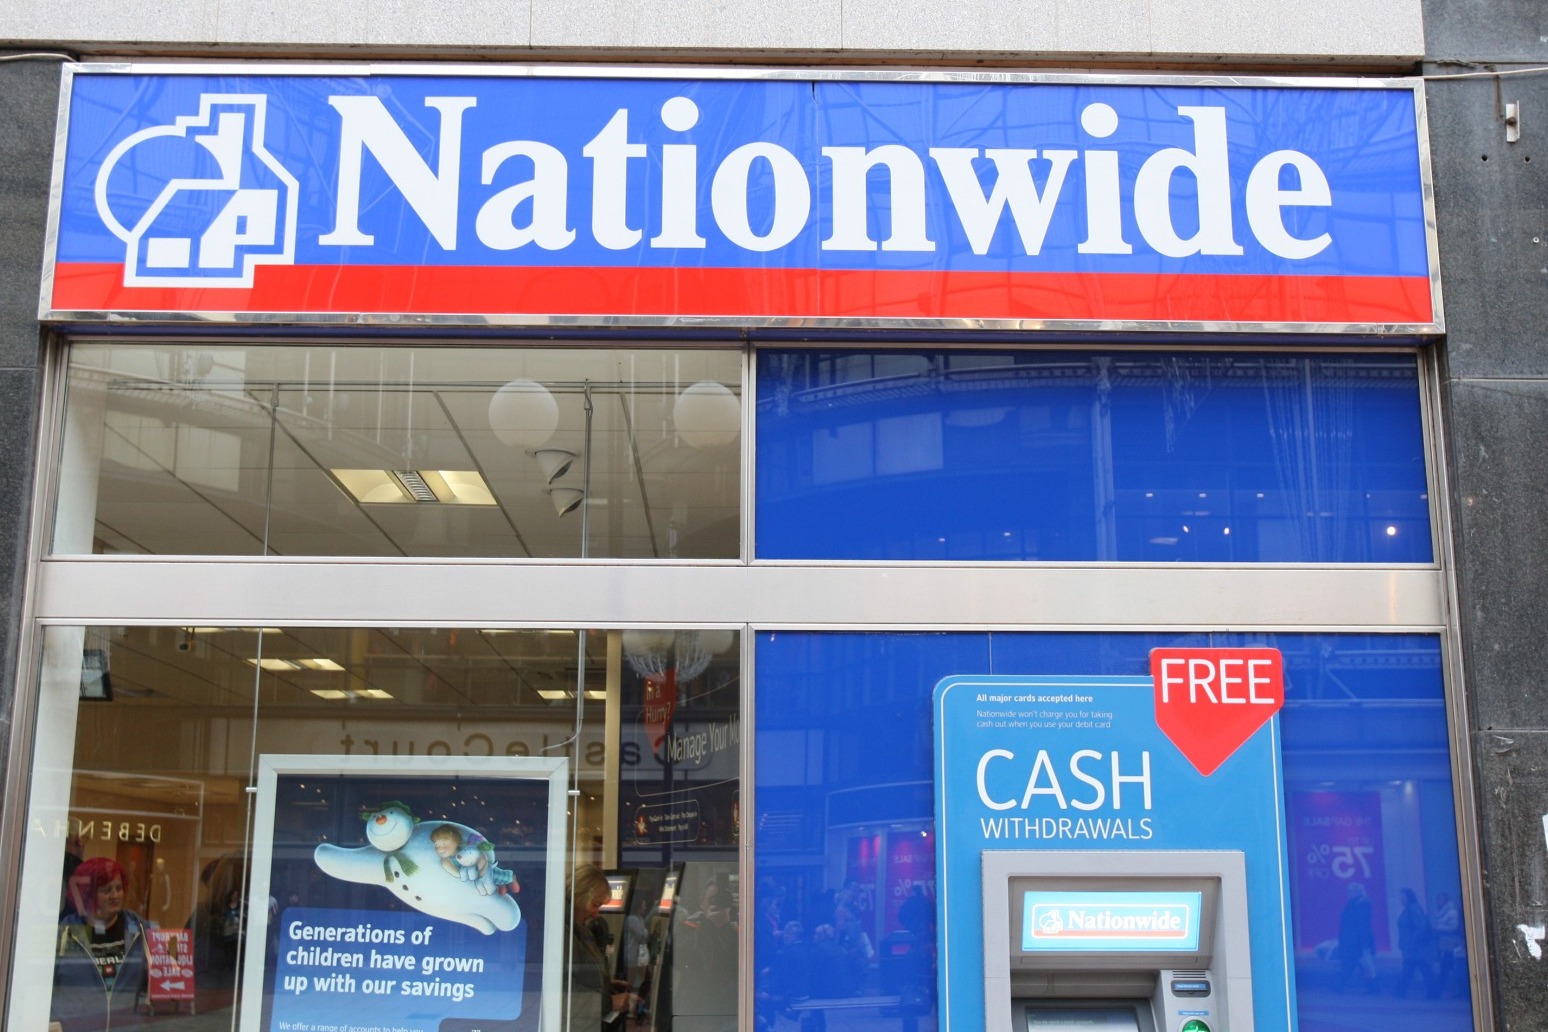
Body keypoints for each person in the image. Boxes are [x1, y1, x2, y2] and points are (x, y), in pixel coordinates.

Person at [52, 857, 154, 1032]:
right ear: (88, 894)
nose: (115, 896)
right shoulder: (64, 934)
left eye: (119, 888)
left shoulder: (141, 931)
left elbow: (163, 980)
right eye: (106, 890)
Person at [568, 865, 637, 1032]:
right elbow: (563, 996)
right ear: (580, 897)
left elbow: (579, 974)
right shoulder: (562, 932)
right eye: (595, 905)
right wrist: (609, 1002)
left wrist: (605, 985)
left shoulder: (578, 928)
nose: (596, 914)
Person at [1394, 887, 1439, 999]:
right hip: (1412, 946)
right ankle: (1401, 991)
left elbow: (1420, 927)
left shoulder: (1413, 909)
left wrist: (1413, 942)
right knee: (1414, 968)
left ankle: (1402, 991)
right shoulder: (1409, 909)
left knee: (1419, 968)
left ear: (1408, 897)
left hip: (1415, 947)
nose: (1401, 899)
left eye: (1402, 896)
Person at [1334, 882, 1377, 993]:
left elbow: (1363, 925)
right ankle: (1373, 986)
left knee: (1353, 964)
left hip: (1356, 941)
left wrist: (1365, 943)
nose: (1348, 893)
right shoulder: (1354, 904)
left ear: (1357, 892)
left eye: (1350, 891)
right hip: (1352, 940)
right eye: (1347, 890)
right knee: (1357, 964)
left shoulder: (1360, 905)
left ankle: (1339, 985)